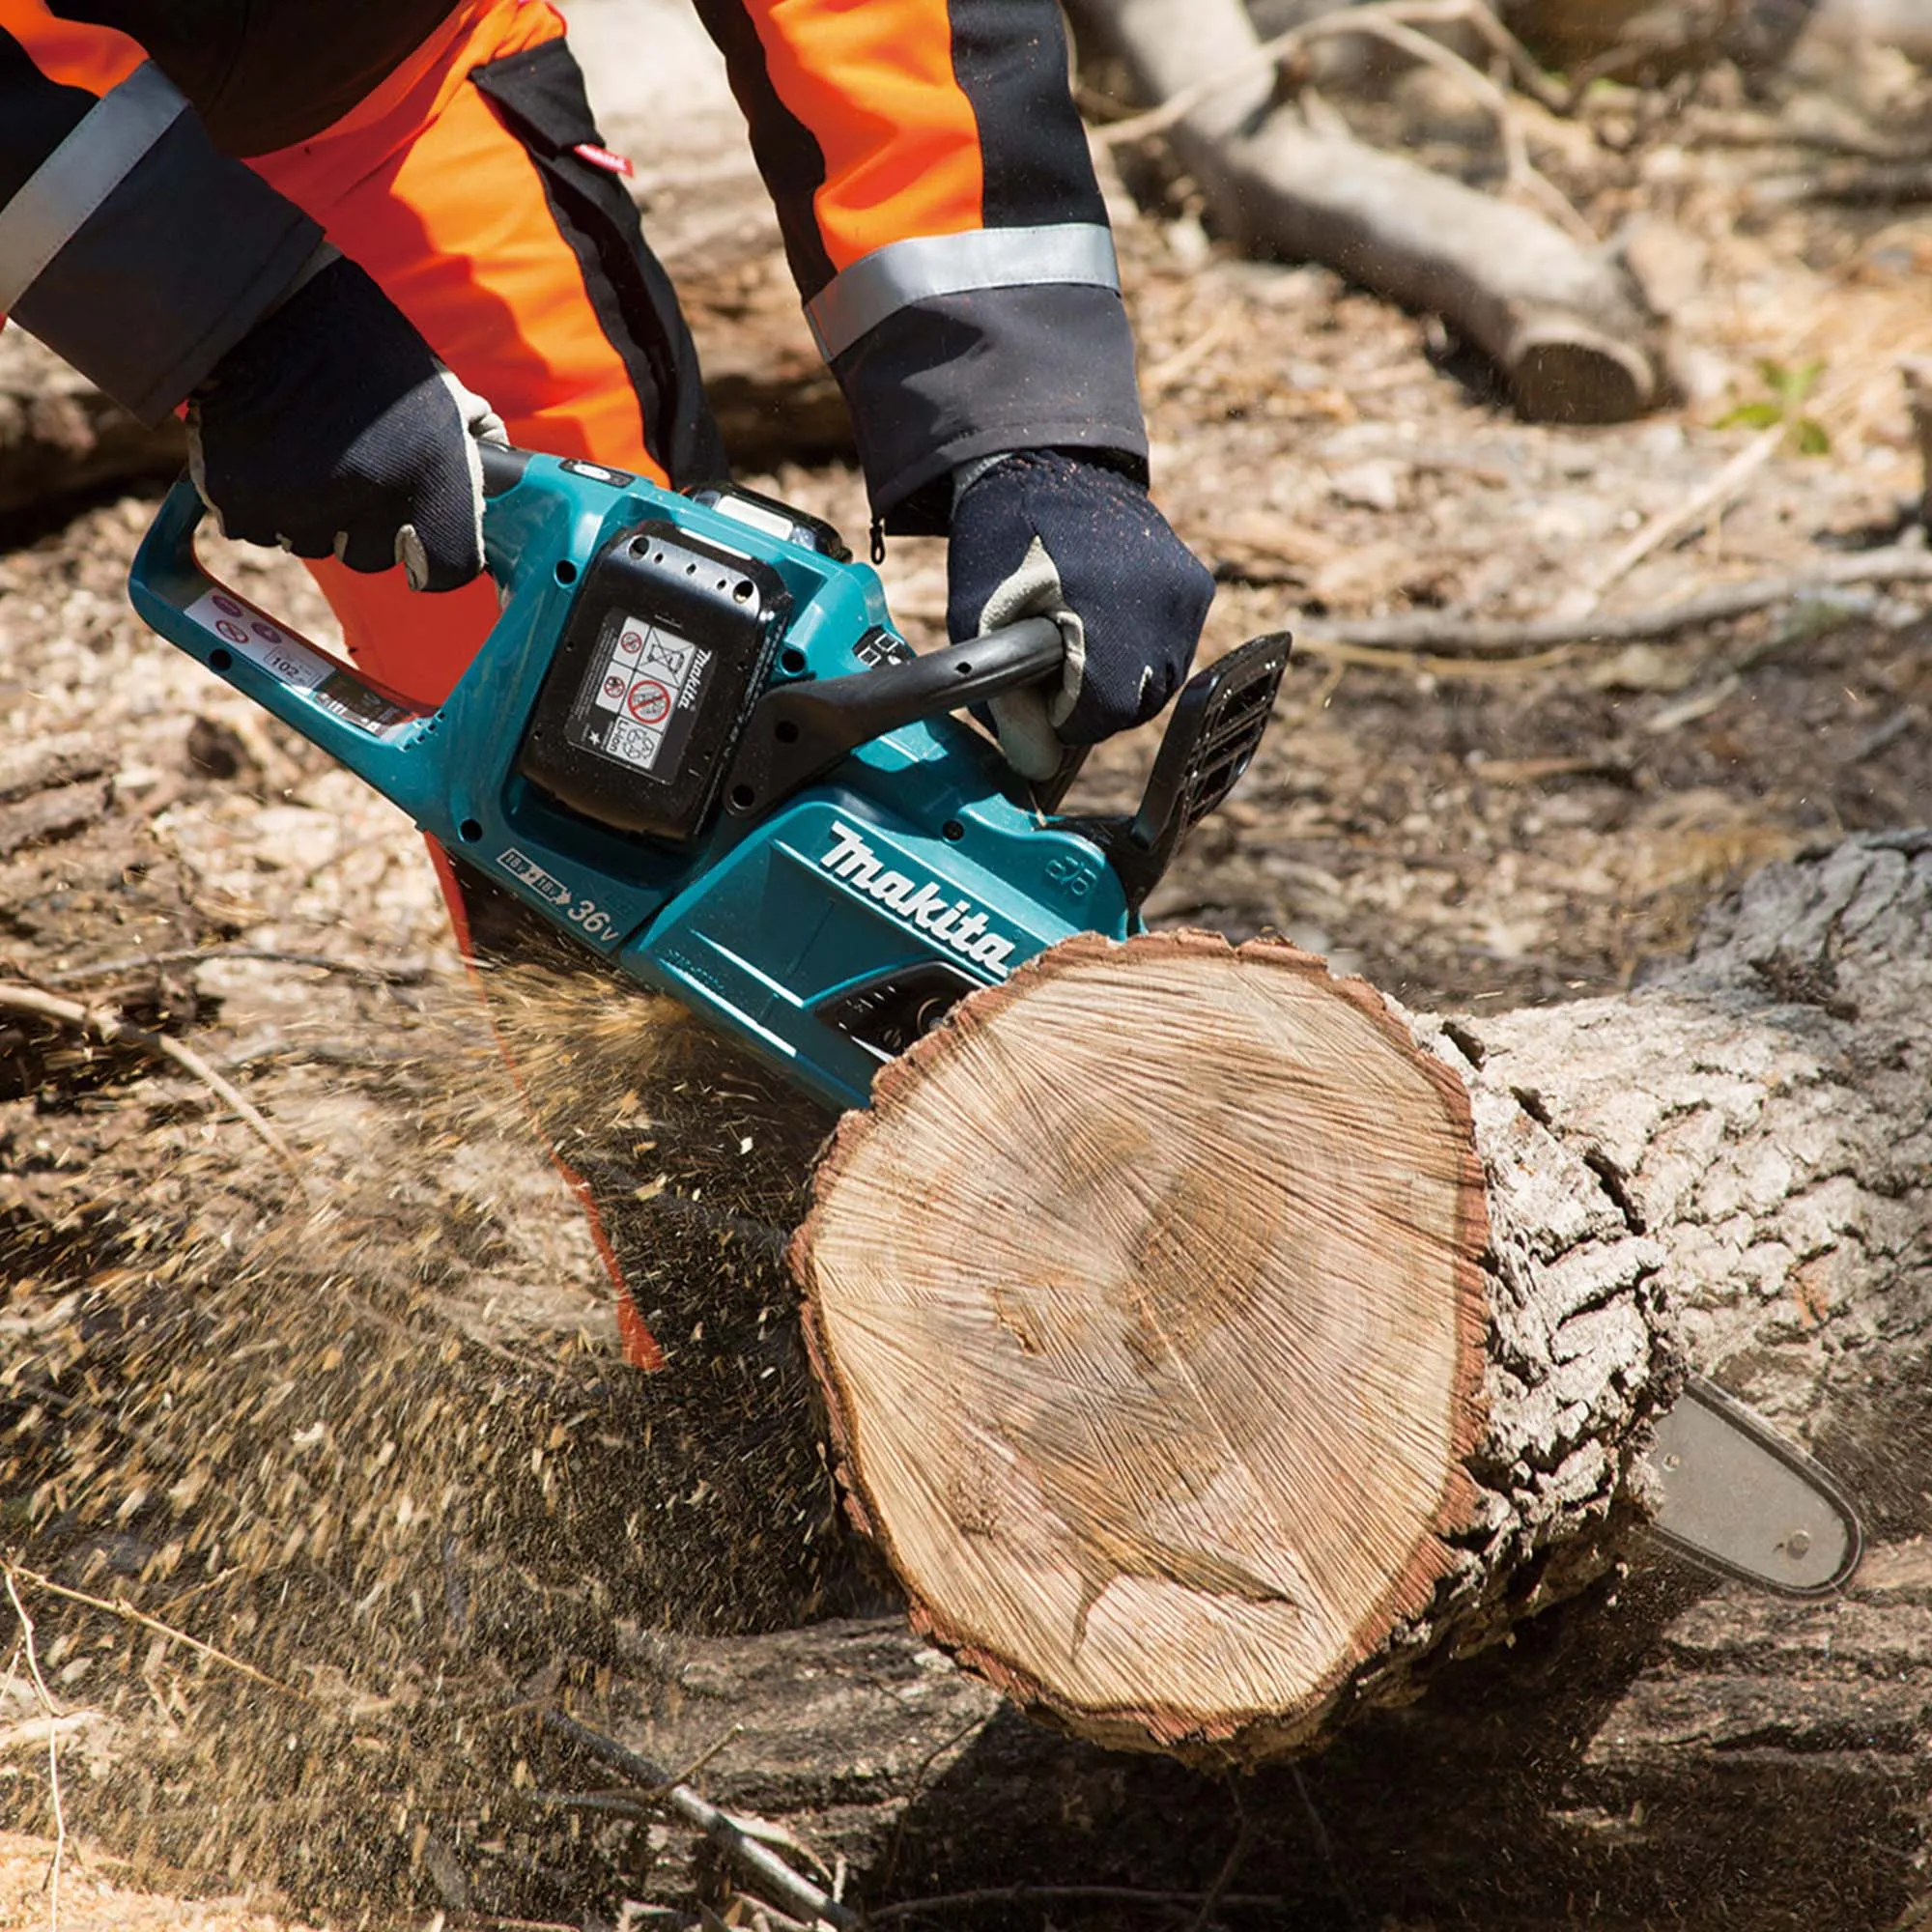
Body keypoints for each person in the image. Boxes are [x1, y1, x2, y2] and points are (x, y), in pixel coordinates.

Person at [0, 0, 1215, 1359]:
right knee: (584, 769)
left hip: (388, 84)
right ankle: (735, 1380)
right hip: (42, 81)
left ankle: (782, 1342)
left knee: (630, 654)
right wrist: (230, 327)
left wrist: (1034, 428)